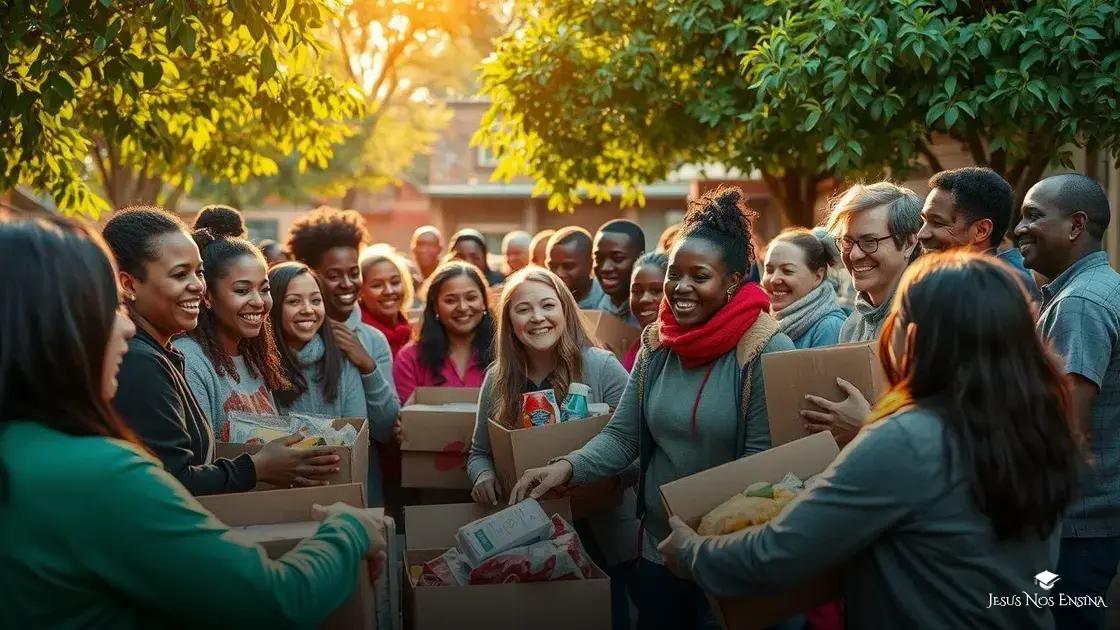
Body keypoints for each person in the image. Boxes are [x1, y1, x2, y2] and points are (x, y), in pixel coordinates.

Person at [0, 216, 387, 627]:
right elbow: (273, 601)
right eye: (109, 305)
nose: (126, 325)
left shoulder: (22, 448)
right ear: (54, 326)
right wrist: (348, 529)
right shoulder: (100, 473)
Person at [658, 251, 1078, 628]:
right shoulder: (1036, 423)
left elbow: (782, 550)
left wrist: (693, 552)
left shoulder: (910, 436)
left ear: (912, 339)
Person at [510, 186, 795, 630]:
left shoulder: (765, 348)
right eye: (674, 275)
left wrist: (704, 540)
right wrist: (565, 468)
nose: (679, 288)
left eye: (698, 276)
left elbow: (762, 463)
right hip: (659, 550)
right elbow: (623, 435)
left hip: (728, 552)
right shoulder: (657, 344)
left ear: (734, 281)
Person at [104, 207, 335, 495]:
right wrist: (257, 468)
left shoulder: (165, 355)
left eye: (199, 273)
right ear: (129, 284)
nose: (197, 286)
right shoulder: (139, 362)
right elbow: (171, 484)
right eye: (179, 274)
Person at [467, 266, 640, 630]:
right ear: (509, 320)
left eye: (548, 305)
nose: (538, 318)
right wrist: (482, 475)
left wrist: (609, 482)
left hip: (602, 532)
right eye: (523, 309)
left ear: (565, 311)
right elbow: (478, 452)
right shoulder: (497, 379)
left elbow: (637, 446)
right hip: (530, 535)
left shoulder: (602, 367)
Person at [1015, 173, 1120, 630]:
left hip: (1075, 526)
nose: (1019, 228)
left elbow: (1064, 431)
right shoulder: (1100, 287)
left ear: (1076, 225)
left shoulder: (1080, 304)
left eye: (1033, 216)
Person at [287, 206, 400, 506]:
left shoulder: (373, 341)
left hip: (361, 487)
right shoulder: (284, 339)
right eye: (334, 275)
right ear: (311, 274)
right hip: (296, 490)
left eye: (354, 273)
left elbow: (388, 428)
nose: (348, 284)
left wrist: (367, 366)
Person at [801, 183, 922, 448]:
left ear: (910, 243)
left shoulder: (927, 323)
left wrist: (866, 427)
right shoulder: (852, 324)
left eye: (869, 241)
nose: (854, 254)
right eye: (847, 241)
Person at [173, 208, 288, 442]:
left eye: (264, 289)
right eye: (242, 290)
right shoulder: (191, 361)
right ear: (207, 296)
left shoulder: (253, 358)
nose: (258, 302)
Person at [918, 166, 1040, 301]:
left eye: (937, 222)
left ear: (982, 230)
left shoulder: (1002, 294)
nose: (921, 234)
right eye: (923, 220)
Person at [393, 261, 494, 403]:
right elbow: (407, 419)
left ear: (484, 302)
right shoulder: (409, 358)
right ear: (435, 307)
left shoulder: (505, 354)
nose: (463, 307)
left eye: (471, 298)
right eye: (450, 300)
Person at [761, 228, 848, 349]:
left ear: (818, 277)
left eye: (787, 271)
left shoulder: (829, 327)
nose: (774, 279)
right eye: (769, 270)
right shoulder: (762, 324)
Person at [358, 245, 414, 358]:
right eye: (377, 285)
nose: (389, 291)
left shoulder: (414, 332)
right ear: (360, 292)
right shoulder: (358, 339)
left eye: (395, 282)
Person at [594, 219, 646, 325]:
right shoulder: (590, 307)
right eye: (599, 259)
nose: (605, 268)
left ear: (640, 258)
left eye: (618, 258)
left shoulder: (655, 311)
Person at [623, 252, 668, 371]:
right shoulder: (636, 347)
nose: (644, 299)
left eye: (656, 290)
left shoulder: (675, 350)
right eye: (637, 291)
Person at [547, 226, 606, 309]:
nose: (558, 274)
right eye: (552, 266)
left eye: (568, 266)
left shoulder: (608, 301)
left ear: (590, 264)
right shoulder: (544, 299)